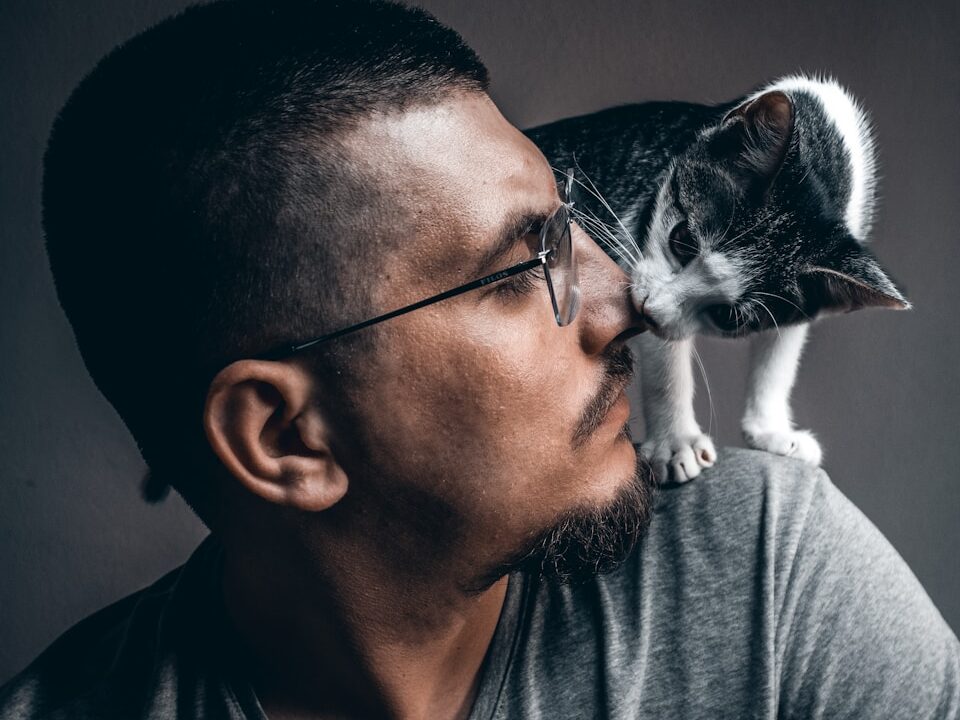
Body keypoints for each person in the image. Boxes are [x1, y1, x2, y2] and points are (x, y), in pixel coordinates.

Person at [2, 0, 958, 717]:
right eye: (521, 267)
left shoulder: (771, 569)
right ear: (287, 436)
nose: (626, 301)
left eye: (572, 225)